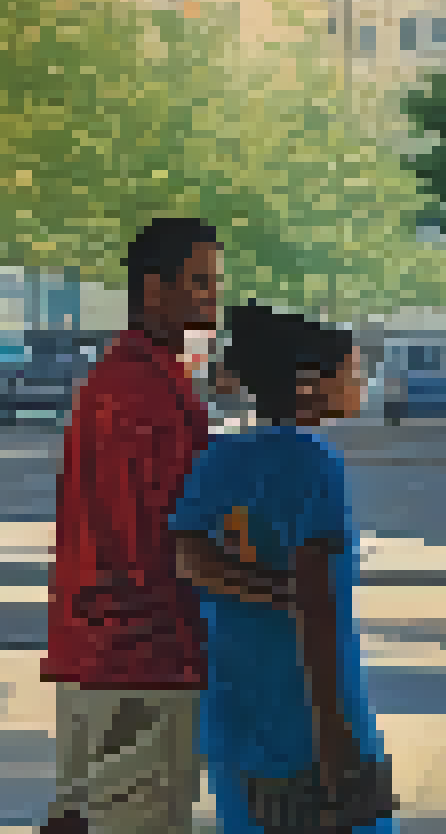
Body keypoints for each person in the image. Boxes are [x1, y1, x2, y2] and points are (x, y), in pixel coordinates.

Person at [168, 303, 396, 834]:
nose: (360, 384)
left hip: (233, 708)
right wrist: (336, 740)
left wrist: (270, 588)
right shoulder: (318, 466)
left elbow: (191, 560)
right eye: (353, 372)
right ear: (310, 384)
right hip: (309, 722)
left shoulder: (218, 460)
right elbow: (317, 610)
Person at [42, 219, 221, 834]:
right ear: (154, 290)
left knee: (84, 814)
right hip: (143, 656)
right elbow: (154, 538)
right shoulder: (141, 393)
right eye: (199, 284)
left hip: (105, 653)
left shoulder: (135, 380)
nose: (212, 299)